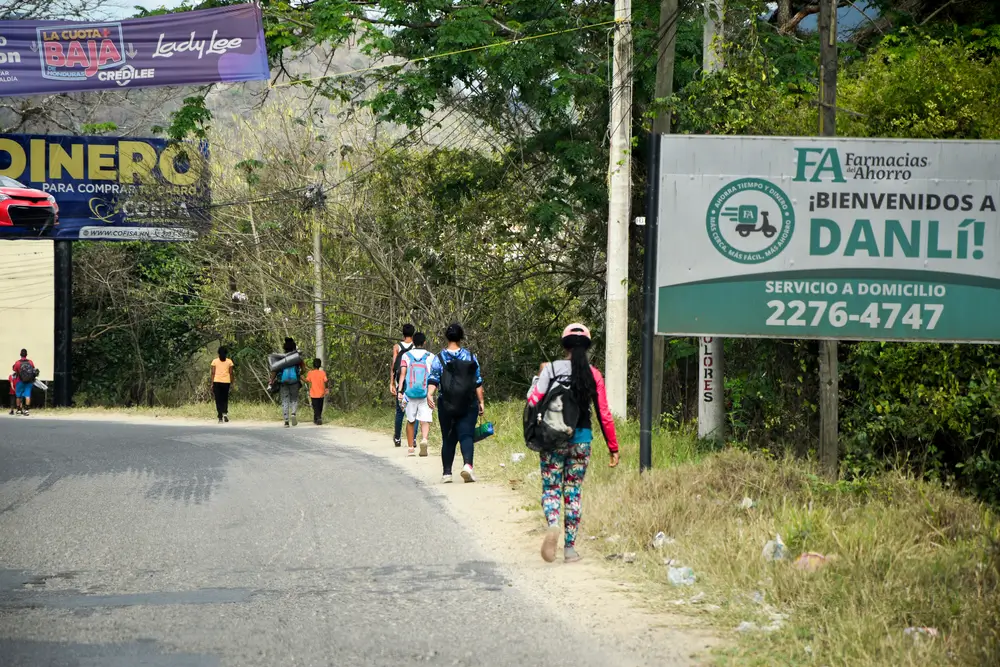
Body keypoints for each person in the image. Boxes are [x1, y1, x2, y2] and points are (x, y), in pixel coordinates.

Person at [526, 323, 620, 563]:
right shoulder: (593, 374)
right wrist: (613, 447)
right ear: (587, 346)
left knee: (551, 489)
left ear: (564, 345)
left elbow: (534, 399)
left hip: (552, 439)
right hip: (581, 440)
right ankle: (570, 549)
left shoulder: (552, 369)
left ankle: (553, 523)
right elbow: (604, 412)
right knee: (573, 492)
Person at [427, 323, 484, 483]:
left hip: (446, 403)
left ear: (447, 337)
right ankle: (467, 466)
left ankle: (447, 473)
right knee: (466, 435)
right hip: (468, 402)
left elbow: (433, 379)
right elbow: (478, 382)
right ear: (461, 337)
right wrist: (481, 401)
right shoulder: (470, 356)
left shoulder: (439, 358)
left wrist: (429, 394)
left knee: (448, 438)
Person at [397, 332, 433, 457]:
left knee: (410, 420)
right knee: (425, 419)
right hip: (425, 393)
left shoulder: (406, 355)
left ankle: (411, 448)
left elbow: (402, 374)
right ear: (424, 342)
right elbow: (434, 376)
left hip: (410, 392)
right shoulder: (430, 356)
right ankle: (424, 439)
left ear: (413, 342)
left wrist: (400, 390)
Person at [270, 337, 306, 427]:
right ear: (294, 347)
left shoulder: (281, 358)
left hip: (283, 381)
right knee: (294, 398)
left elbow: (274, 370)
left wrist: (271, 380)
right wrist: (300, 374)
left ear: (284, 348)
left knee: (285, 400)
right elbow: (304, 369)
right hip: (294, 381)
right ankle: (293, 414)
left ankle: (286, 421)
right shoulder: (297, 358)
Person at [390, 323, 416, 447]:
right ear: (413, 333)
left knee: (400, 411)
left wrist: (392, 383)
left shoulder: (397, 347)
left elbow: (394, 366)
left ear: (403, 333)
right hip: (413, 382)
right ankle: (414, 438)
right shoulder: (416, 346)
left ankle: (397, 438)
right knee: (414, 410)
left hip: (401, 382)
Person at [210, 346, 235, 423]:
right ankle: (225, 413)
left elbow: (213, 373)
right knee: (225, 398)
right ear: (226, 353)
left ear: (218, 353)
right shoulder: (229, 362)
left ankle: (220, 417)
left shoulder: (214, 361)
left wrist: (212, 383)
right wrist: (232, 382)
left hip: (217, 381)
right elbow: (231, 373)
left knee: (218, 399)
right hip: (226, 382)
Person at [12, 349, 36, 416]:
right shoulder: (30, 362)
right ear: (26, 354)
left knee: (18, 396)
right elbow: (33, 369)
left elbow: (15, 370)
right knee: (27, 395)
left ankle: (19, 410)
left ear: (20, 354)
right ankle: (26, 410)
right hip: (29, 381)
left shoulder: (17, 363)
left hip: (20, 381)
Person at [306, 358, 328, 425]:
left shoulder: (310, 373)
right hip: (321, 393)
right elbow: (326, 381)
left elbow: (307, 380)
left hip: (313, 393)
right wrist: (326, 389)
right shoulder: (323, 373)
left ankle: (318, 418)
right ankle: (316, 418)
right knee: (320, 407)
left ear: (313, 365)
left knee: (315, 407)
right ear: (320, 365)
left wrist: (301, 377)